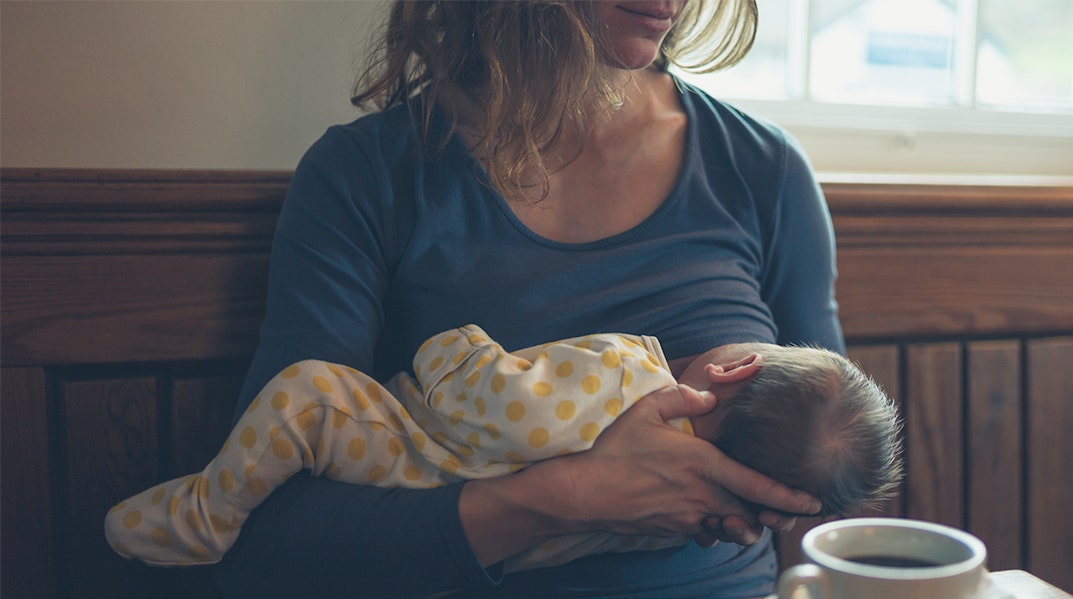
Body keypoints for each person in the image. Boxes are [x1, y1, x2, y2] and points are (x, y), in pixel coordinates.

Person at [211, 1, 847, 596]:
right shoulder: (365, 175)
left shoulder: (764, 170)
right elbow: (270, 535)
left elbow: (827, 466)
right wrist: (572, 498)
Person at [106, 325, 901, 572]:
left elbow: (488, 400)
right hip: (464, 550)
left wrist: (453, 346)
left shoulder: (629, 372)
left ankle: (205, 511)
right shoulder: (679, 514)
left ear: (732, 367)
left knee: (307, 393)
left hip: (401, 451)